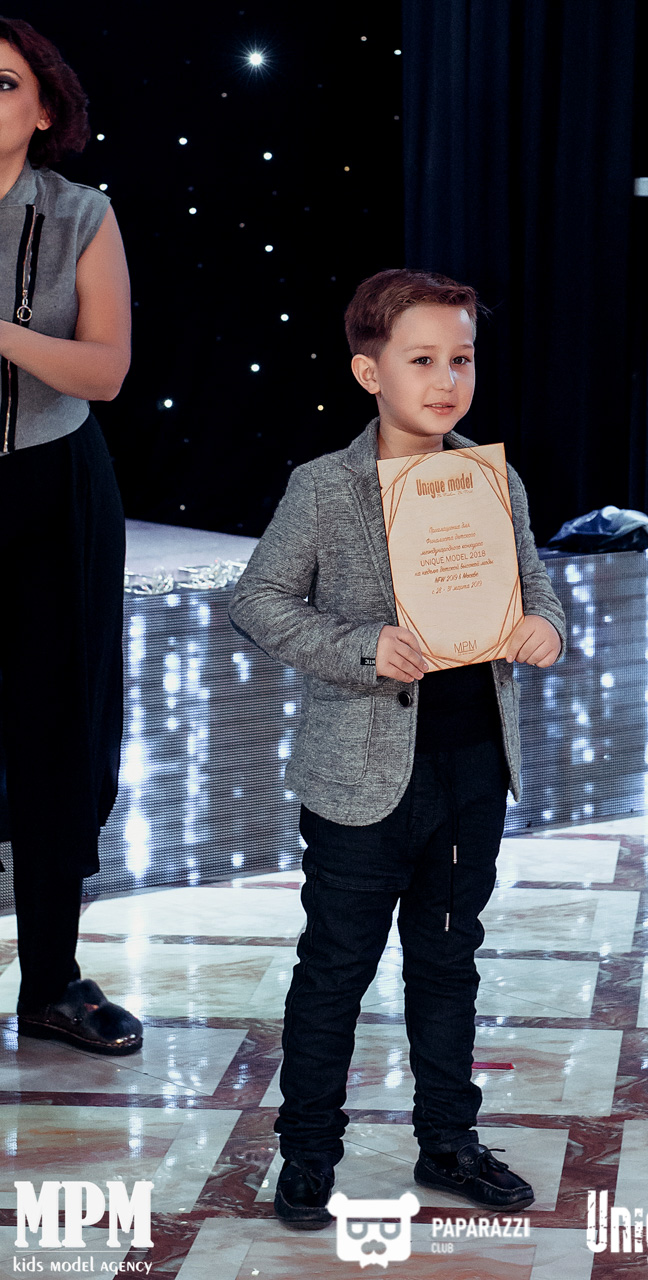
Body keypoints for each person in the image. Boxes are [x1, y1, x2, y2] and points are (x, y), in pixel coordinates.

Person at [229, 268, 565, 1228]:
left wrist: (545, 625)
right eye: (422, 360)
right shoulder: (323, 487)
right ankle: (307, 1153)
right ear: (369, 372)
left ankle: (449, 1142)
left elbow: (534, 585)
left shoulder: (492, 479)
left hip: (471, 770)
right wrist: (358, 647)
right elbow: (256, 600)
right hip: (358, 781)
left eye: (462, 358)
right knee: (335, 969)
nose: (447, 379)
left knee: (448, 962)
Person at [0, 16, 141, 1054]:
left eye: (1, 84)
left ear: (45, 109)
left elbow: (105, 370)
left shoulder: (82, 213)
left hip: (53, 488)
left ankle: (51, 980)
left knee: (56, 728)